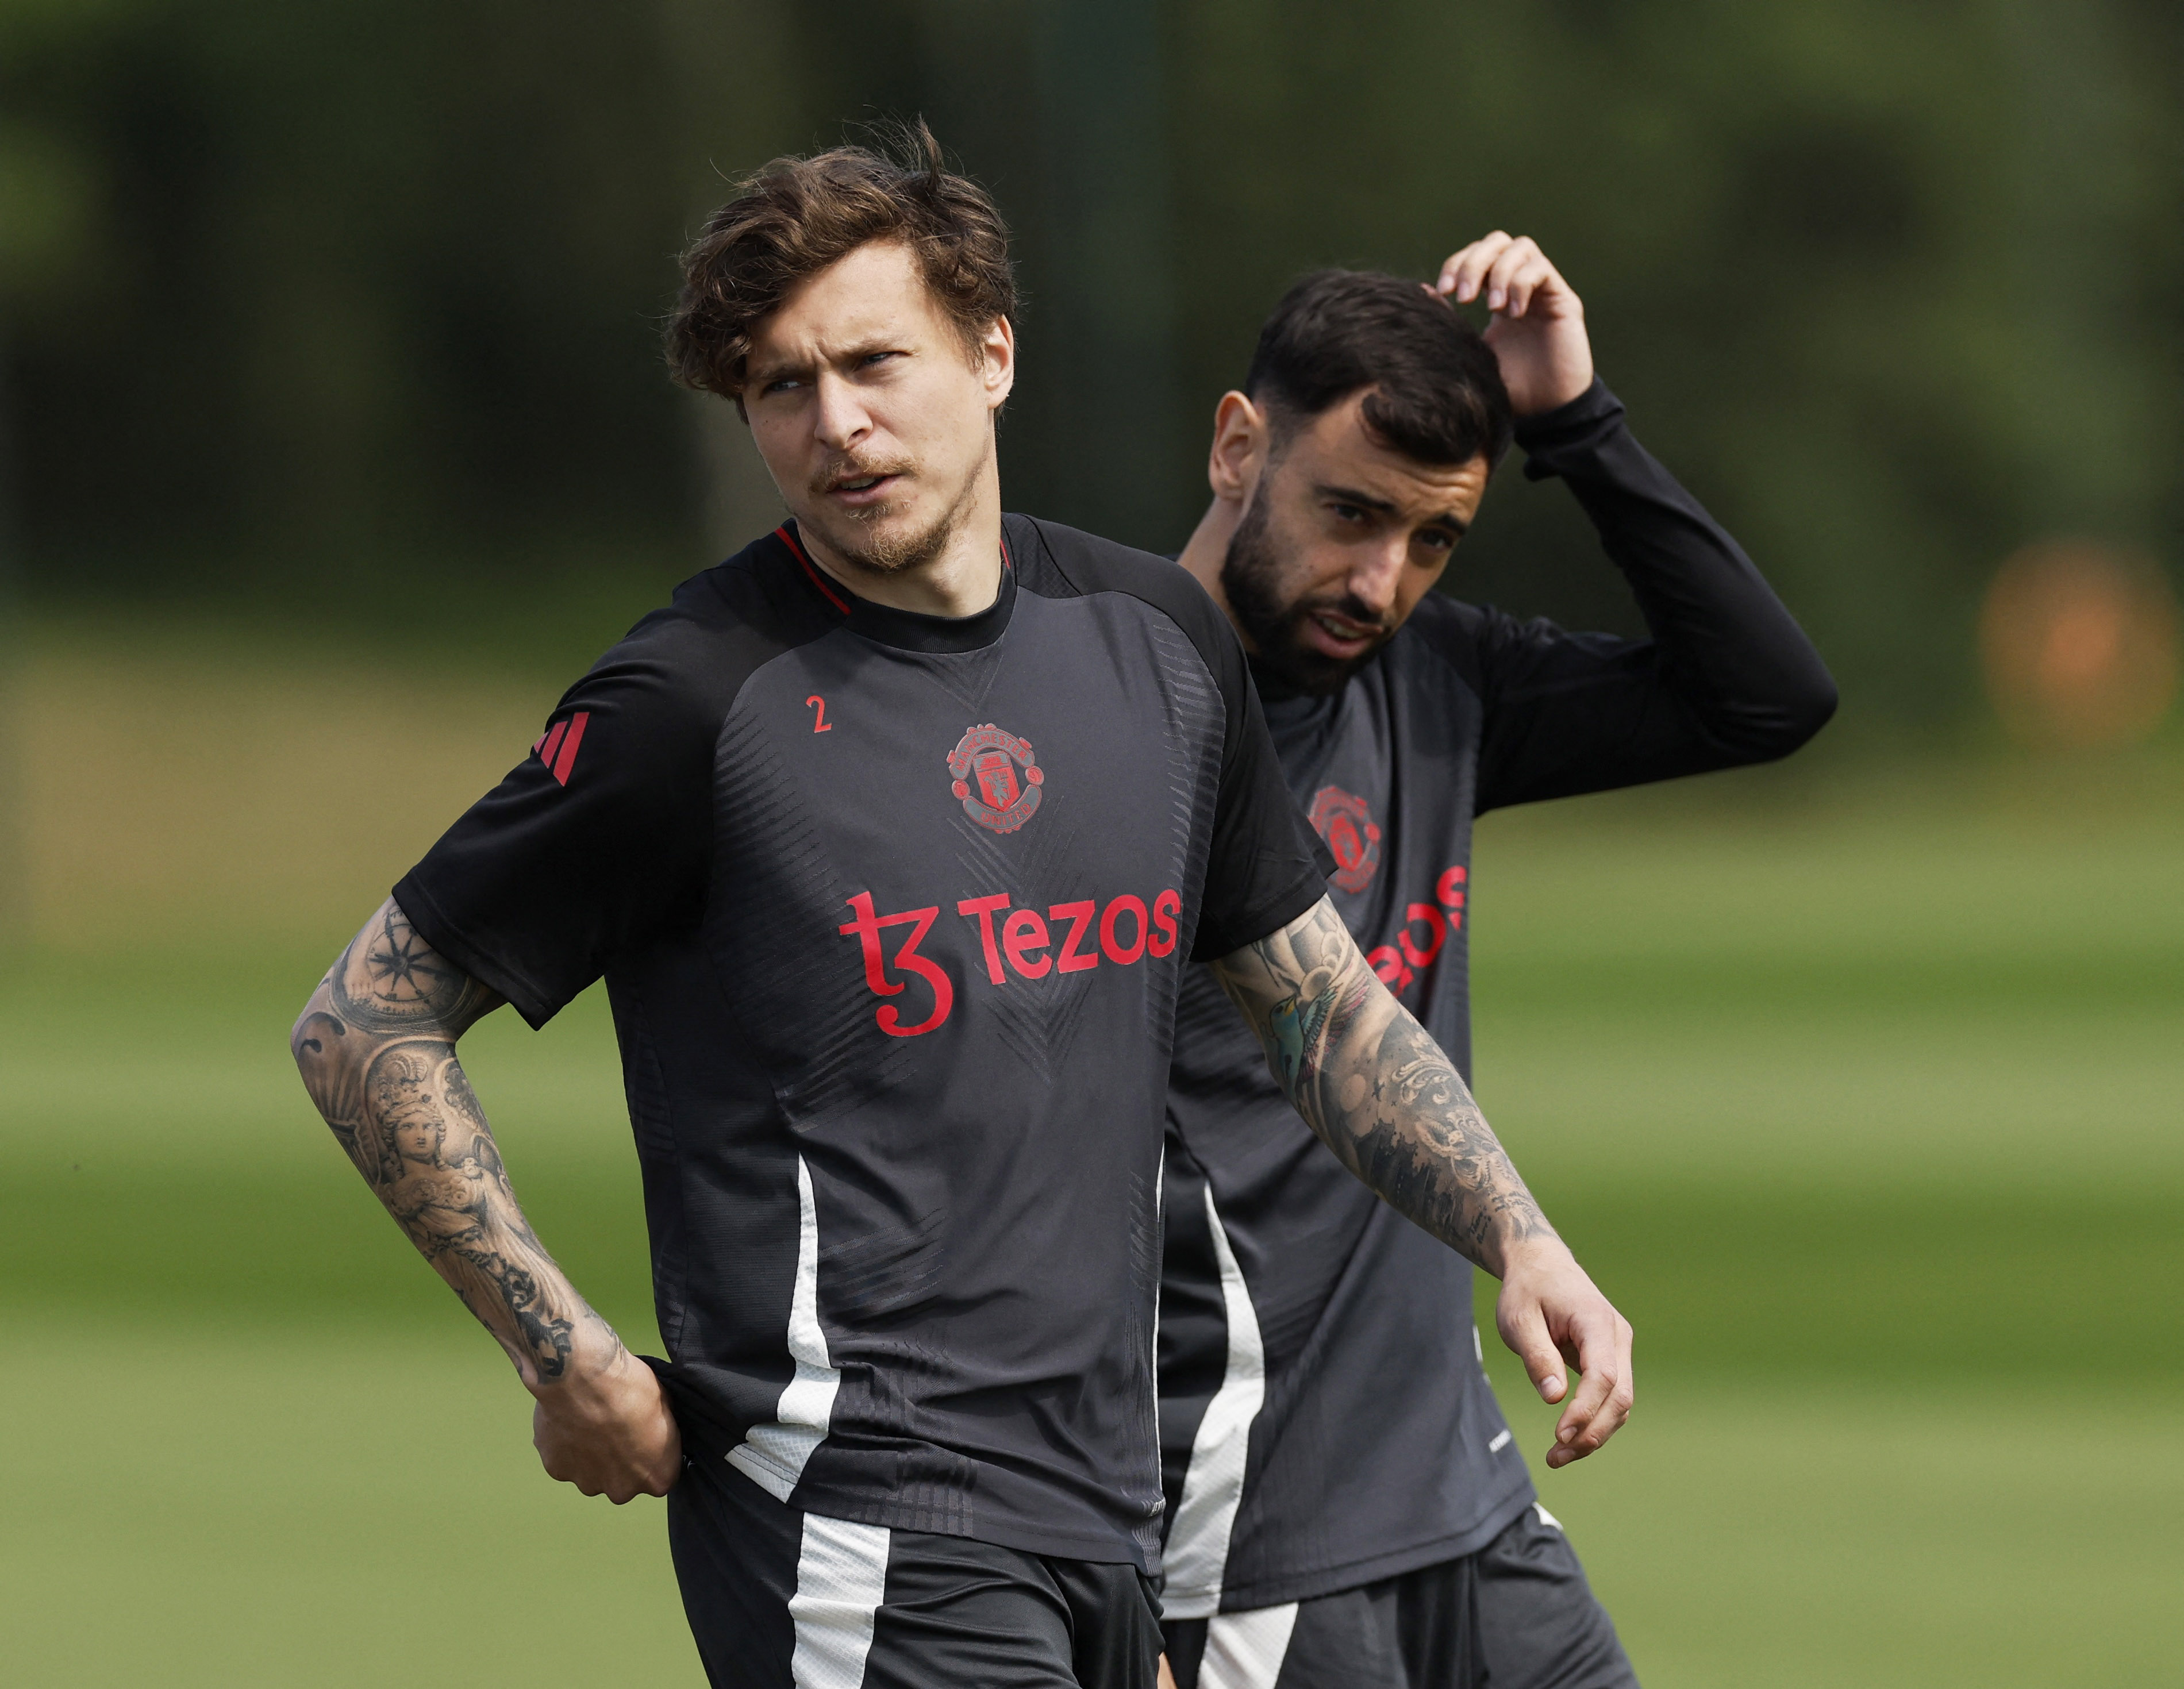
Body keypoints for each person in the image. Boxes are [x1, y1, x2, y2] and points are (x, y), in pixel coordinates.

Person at [288, 139, 1635, 1689]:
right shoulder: (694, 698)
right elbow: (366, 1017)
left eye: (873, 362)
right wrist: (560, 1348)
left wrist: (1517, 1236)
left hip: (1114, 1522)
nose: (835, 425)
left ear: (992, 353)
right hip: (855, 1520)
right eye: (781, 387)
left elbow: (1321, 1007)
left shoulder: (1158, 643)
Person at [1154, 242, 1837, 1689]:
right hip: (1248, 1543)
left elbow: (1765, 698)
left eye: (1429, 539)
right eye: (1347, 514)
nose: (1377, 579)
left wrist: (1575, 421)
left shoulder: (1434, 681)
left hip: (1465, 1503)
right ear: (1236, 447)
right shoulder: (1101, 712)